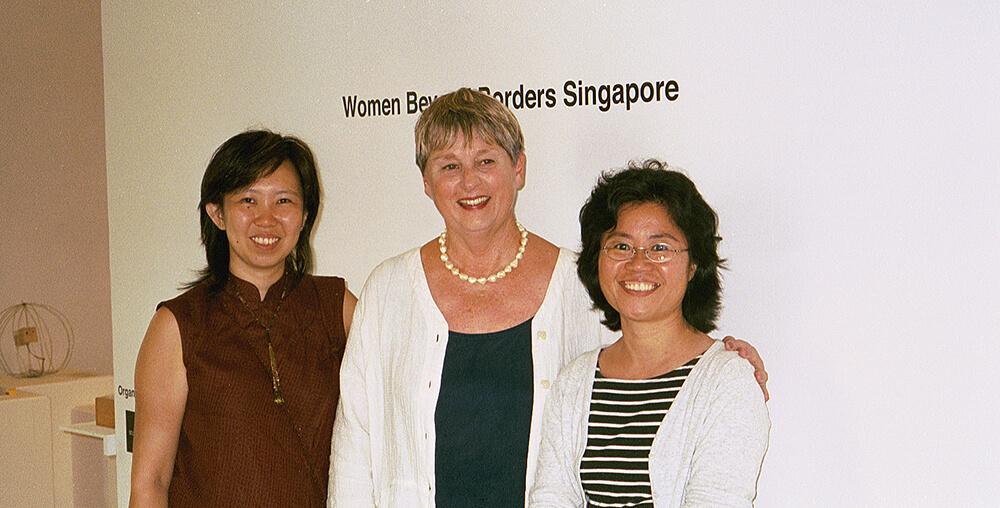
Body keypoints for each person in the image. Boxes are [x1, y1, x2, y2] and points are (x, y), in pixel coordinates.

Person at [329, 88, 768, 508]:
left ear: (518, 169)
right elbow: (355, 442)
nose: (469, 182)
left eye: (486, 160)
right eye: (448, 166)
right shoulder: (387, 290)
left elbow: (650, 351)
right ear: (426, 182)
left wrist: (725, 359)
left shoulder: (583, 283)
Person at [129, 130, 357, 507]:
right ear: (217, 213)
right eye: (248, 201)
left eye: (284, 201)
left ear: (304, 216)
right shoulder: (179, 325)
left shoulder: (336, 306)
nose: (266, 220)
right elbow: (150, 483)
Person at [529, 161, 770, 507]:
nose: (638, 264)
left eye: (660, 248)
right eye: (621, 246)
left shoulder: (727, 380)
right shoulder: (574, 381)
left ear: (693, 265)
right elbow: (551, 497)